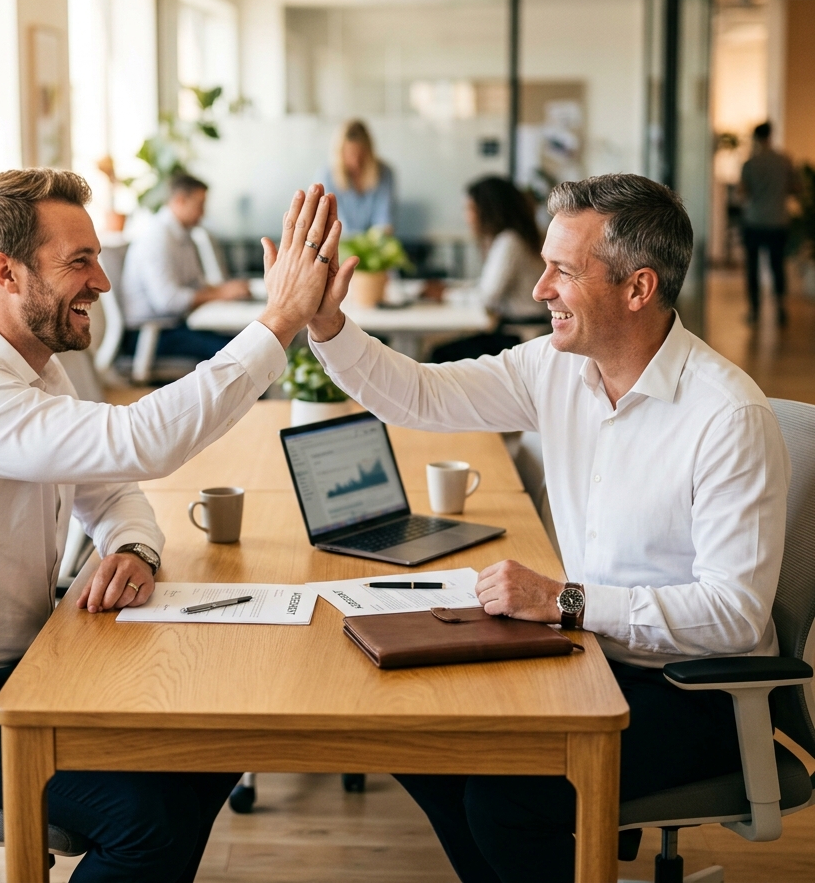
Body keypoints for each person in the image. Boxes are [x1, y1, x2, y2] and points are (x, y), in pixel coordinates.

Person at [0, 169, 344, 883]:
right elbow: (139, 442)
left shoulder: (34, 371)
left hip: (22, 677)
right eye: (79, 262)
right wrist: (277, 323)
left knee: (212, 743)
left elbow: (112, 488)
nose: (104, 282)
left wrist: (133, 547)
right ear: (6, 273)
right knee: (149, 817)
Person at [304, 173, 789, 883]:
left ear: (638, 287)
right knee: (419, 739)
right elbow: (420, 396)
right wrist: (328, 326)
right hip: (586, 658)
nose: (539, 290)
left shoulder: (726, 417)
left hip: (692, 694)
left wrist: (564, 601)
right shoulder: (557, 369)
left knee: (504, 801)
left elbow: (733, 617)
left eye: (563, 271)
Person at [121, 173, 251, 362]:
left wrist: (225, 289)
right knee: (239, 353)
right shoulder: (156, 237)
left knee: (245, 341)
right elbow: (168, 301)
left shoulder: (183, 235)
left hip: (176, 327)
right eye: (200, 205)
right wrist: (220, 294)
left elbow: (195, 284)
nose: (203, 213)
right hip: (150, 336)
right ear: (180, 200)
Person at [429, 176, 547, 362]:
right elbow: (487, 286)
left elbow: (487, 298)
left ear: (487, 210)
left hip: (520, 336)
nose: (467, 217)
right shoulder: (524, 236)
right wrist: (452, 290)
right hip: (529, 331)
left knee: (441, 355)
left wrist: (446, 295)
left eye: (470, 209)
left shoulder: (509, 242)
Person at [739, 121, 799, 326]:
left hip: (754, 220)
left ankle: (754, 310)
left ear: (756, 138)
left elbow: (743, 192)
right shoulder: (784, 161)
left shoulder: (750, 163)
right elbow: (796, 188)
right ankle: (781, 308)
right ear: (771, 136)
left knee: (752, 267)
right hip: (778, 220)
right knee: (777, 266)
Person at [323, 119, 396, 235]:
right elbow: (329, 222)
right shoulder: (326, 176)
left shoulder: (385, 173)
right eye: (350, 154)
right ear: (340, 153)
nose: (356, 162)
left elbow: (384, 220)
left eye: (360, 155)